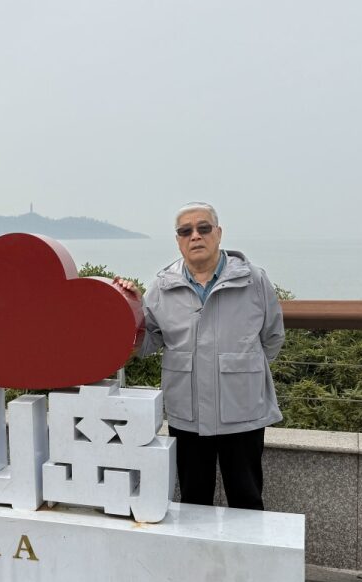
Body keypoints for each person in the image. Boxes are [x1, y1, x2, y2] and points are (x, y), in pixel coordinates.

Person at [116, 202, 284, 510]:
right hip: (187, 414)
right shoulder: (162, 287)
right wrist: (131, 304)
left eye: (203, 228)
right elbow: (148, 341)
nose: (195, 236)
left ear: (218, 234)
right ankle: (198, 560)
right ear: (178, 240)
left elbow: (272, 337)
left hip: (242, 412)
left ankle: (244, 558)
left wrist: (239, 371)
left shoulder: (254, 281)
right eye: (186, 231)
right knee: (193, 499)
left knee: (246, 498)